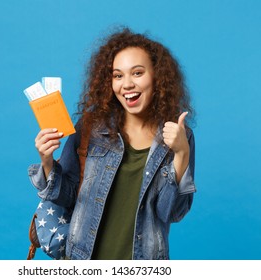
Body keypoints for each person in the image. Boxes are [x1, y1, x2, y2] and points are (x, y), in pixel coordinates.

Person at [29, 27, 196, 260]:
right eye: (118, 75)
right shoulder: (90, 128)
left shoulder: (178, 136)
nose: (126, 84)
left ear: (157, 76)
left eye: (137, 73)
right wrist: (46, 161)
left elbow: (171, 212)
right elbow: (66, 196)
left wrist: (181, 155)